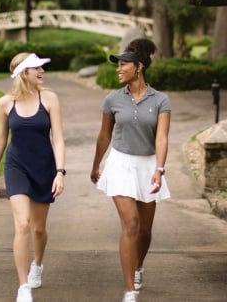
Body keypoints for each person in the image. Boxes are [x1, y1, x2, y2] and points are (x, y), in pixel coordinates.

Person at [90, 38, 171, 302]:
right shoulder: (112, 99)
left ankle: (138, 266)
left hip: (148, 165)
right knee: (131, 224)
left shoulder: (160, 100)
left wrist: (159, 169)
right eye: (118, 65)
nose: (118, 68)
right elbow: (104, 136)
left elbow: (161, 138)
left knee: (145, 231)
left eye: (123, 64)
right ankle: (129, 291)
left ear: (139, 67)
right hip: (120, 164)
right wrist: (96, 165)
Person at [0, 52, 66, 302]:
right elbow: (0, 140)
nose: (42, 71)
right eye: (36, 68)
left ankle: (38, 264)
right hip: (16, 167)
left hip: (43, 167)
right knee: (22, 224)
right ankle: (23, 287)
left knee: (38, 228)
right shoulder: (5, 103)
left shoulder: (50, 98)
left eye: (42, 68)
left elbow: (59, 140)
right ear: (24, 72)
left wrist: (60, 172)